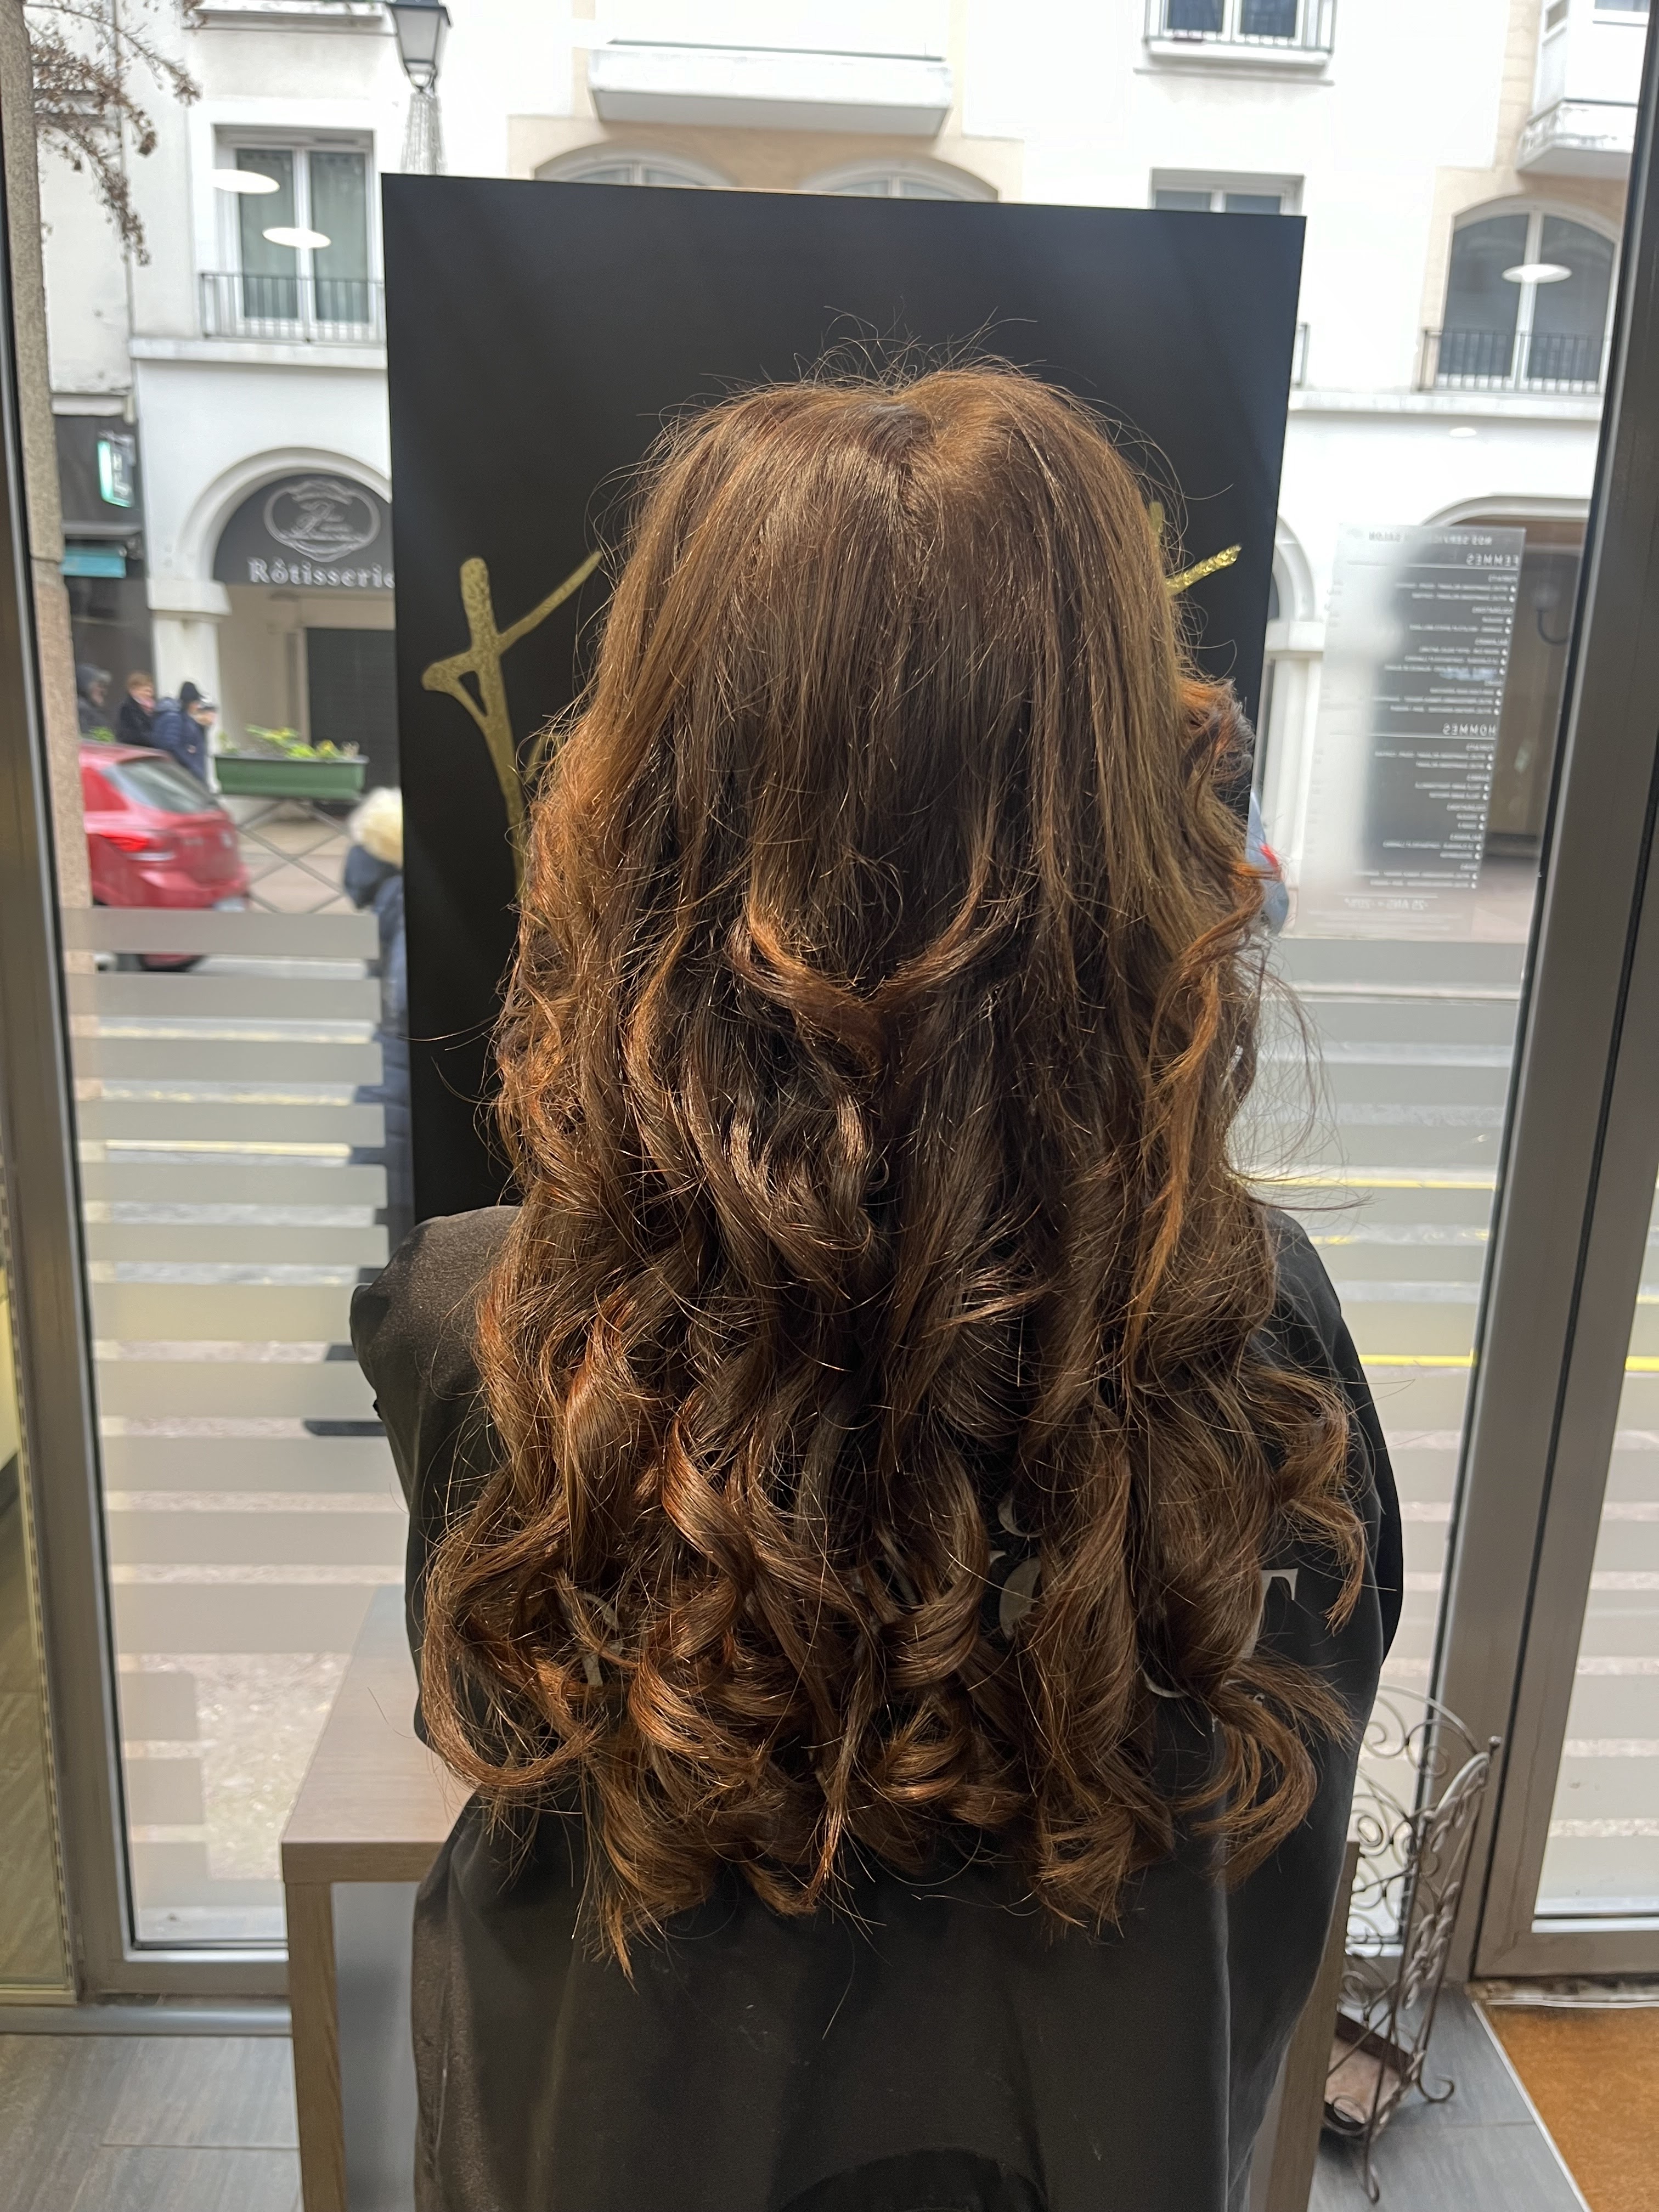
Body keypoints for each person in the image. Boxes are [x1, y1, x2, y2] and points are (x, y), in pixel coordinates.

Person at [351, 370, 1401, 2212]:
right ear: (1128, 802)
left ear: (647, 796)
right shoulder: (1265, 1347)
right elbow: (1264, 1873)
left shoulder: (481, 1327)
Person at [344, 787, 412, 1254]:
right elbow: (412, 997)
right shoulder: (409, 897)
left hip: (387, 1079)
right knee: (407, 1249)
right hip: (406, 1090)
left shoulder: (385, 892)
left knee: (393, 1242)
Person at [146, 681, 215, 786]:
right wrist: (191, 765)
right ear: (190, 703)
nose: (197, 706)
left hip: (188, 773)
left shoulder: (184, 718)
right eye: (196, 702)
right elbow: (172, 746)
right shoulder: (175, 718)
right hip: (183, 775)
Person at [116, 670, 155, 749]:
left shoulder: (152, 708)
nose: (149, 694)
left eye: (150, 691)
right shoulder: (128, 708)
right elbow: (131, 734)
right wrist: (155, 740)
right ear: (134, 690)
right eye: (146, 691)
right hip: (134, 750)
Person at [76, 662, 112, 738]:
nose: (104, 692)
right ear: (85, 686)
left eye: (105, 686)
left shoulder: (91, 711)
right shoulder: (82, 711)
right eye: (100, 686)